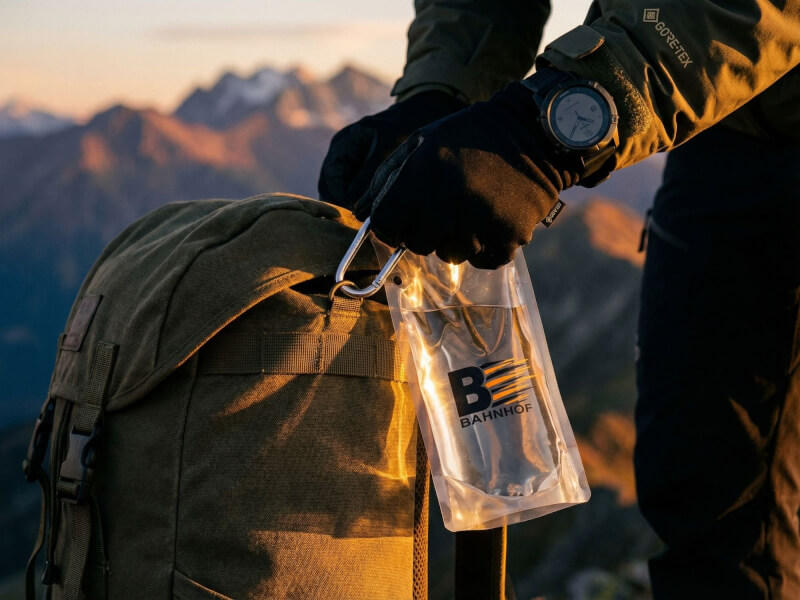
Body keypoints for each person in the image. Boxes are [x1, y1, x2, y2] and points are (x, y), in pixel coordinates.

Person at [318, 0, 800, 597]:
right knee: (699, 480)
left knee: (735, 508)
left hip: (727, 80)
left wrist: (552, 124)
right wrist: (444, 89)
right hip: (722, 124)